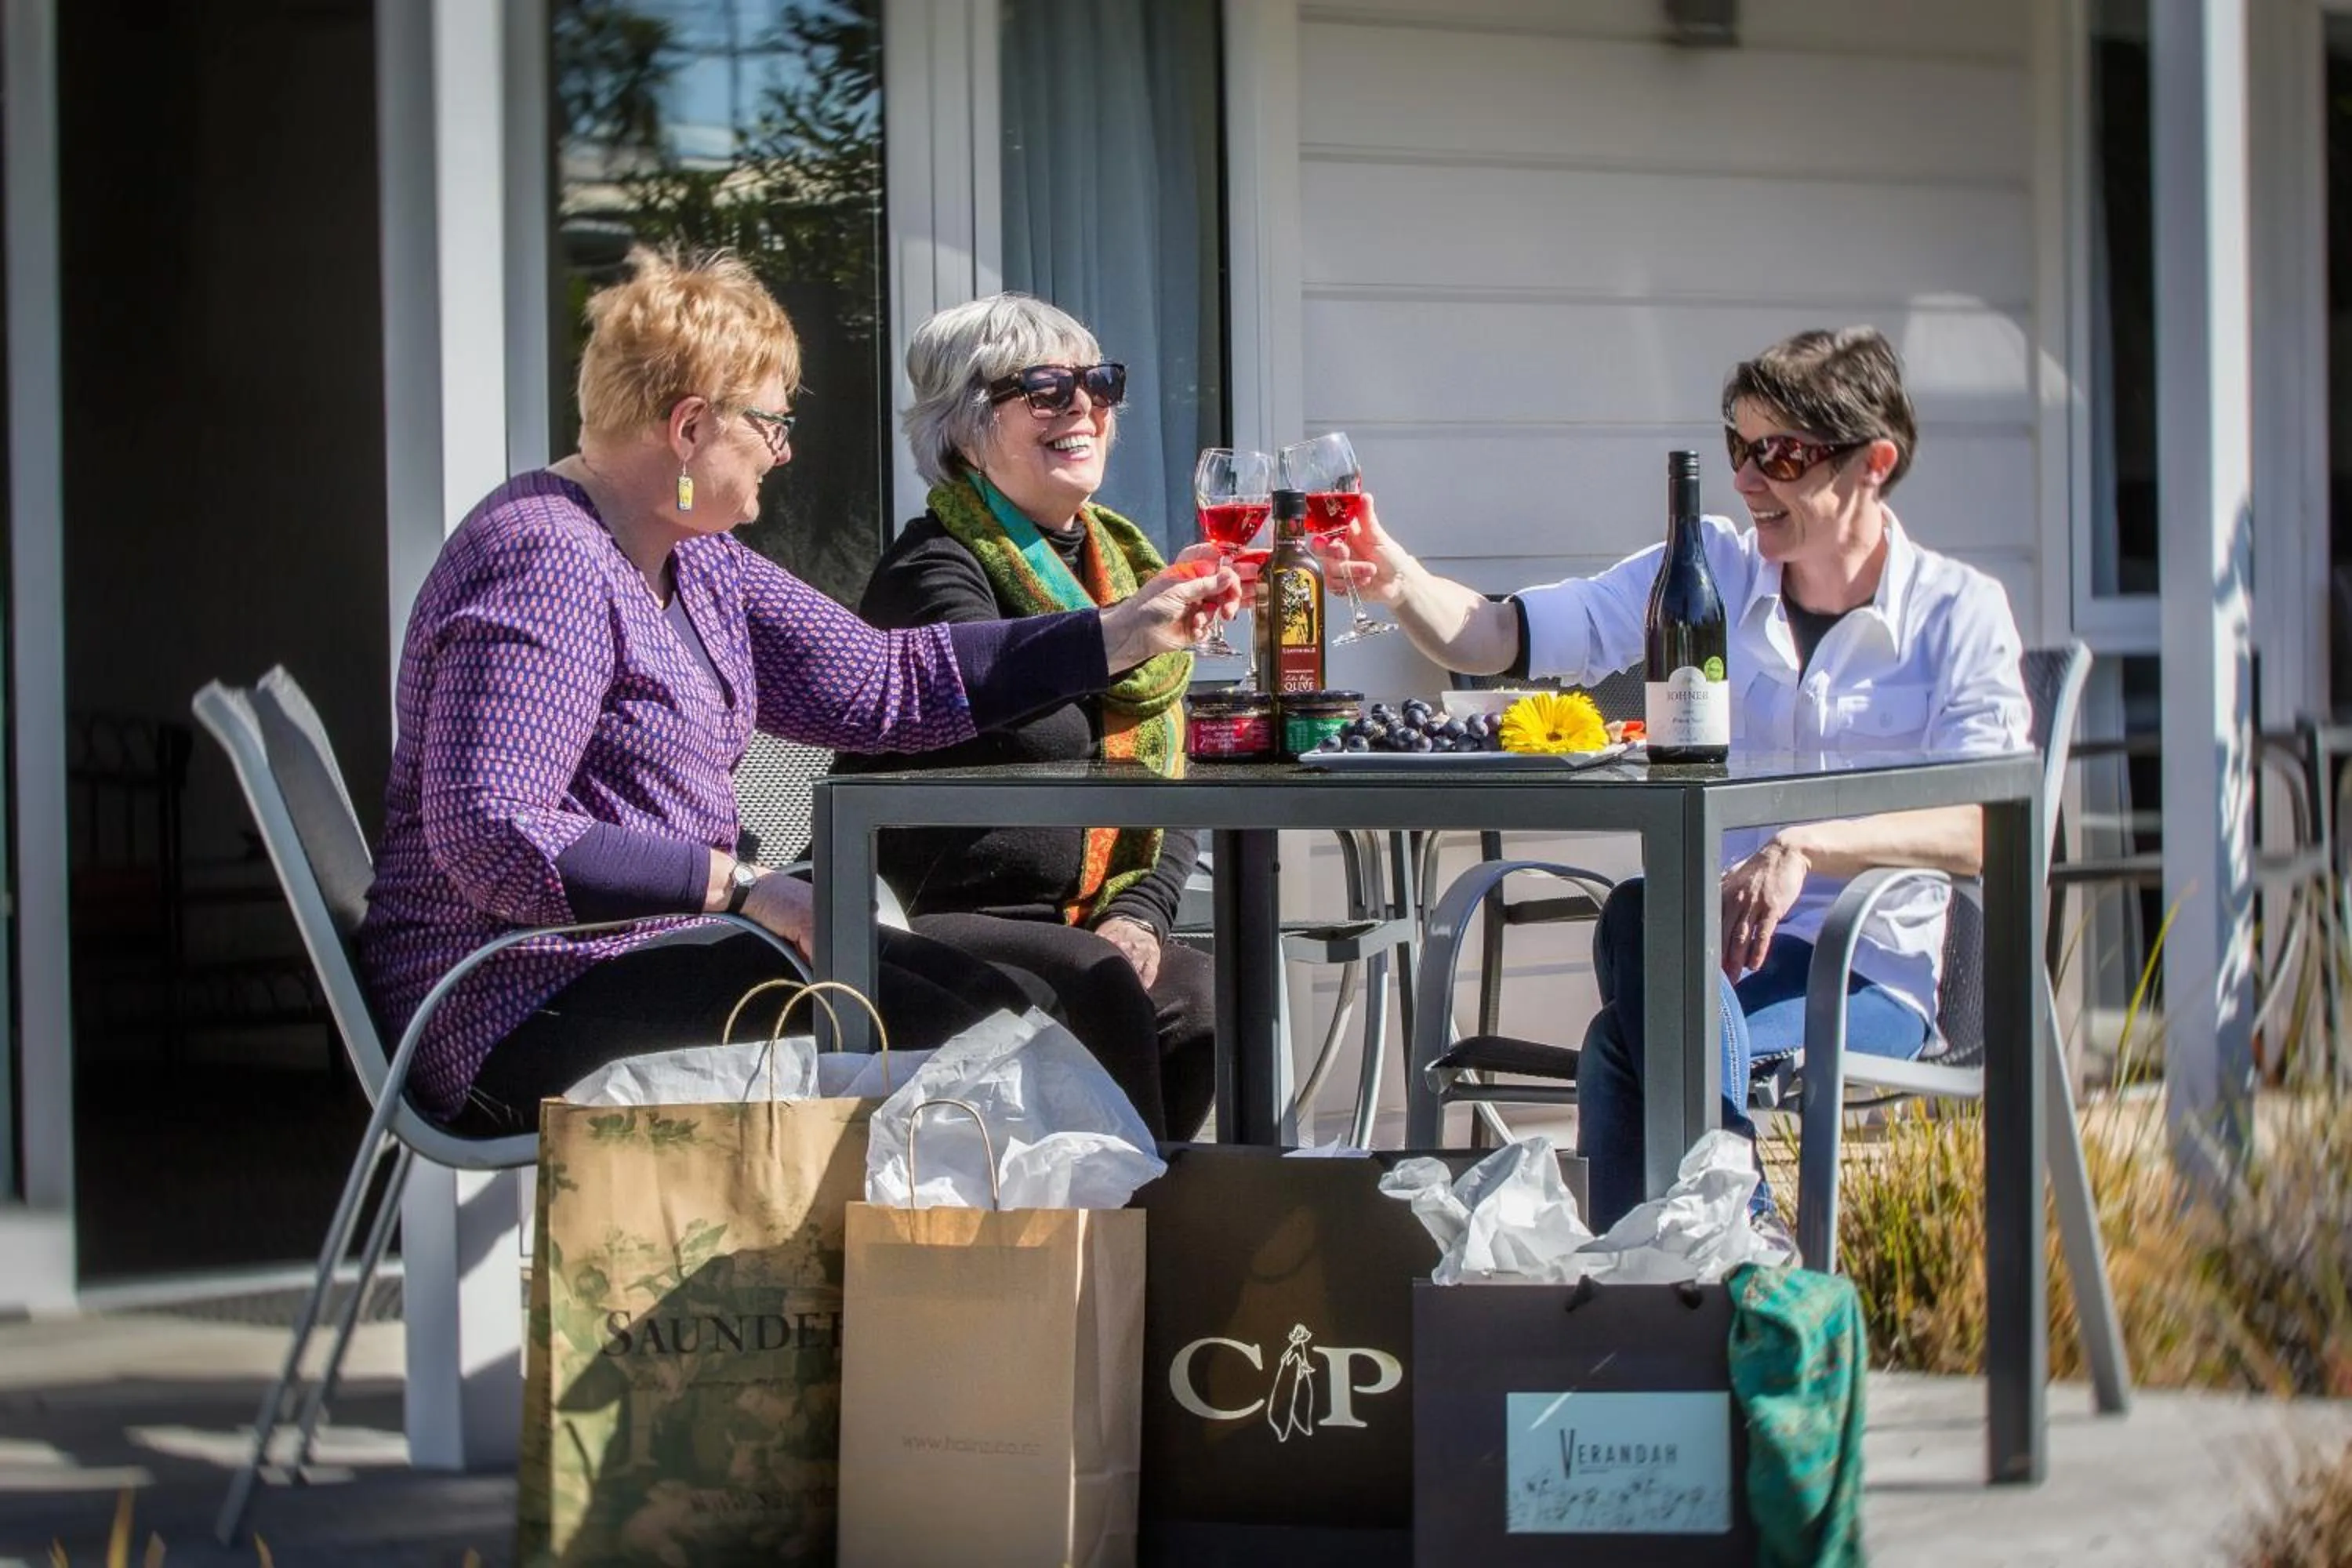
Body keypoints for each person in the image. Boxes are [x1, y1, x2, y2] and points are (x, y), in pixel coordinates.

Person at [356, 249, 1236, 1134]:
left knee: (1003, 1006)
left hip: (654, 953)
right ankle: (1081, 1263)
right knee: (997, 1038)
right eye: (773, 424)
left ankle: (1108, 1259)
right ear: (691, 427)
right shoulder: (545, 559)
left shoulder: (693, 554)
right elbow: (494, 830)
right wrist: (742, 887)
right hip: (516, 997)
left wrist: (1119, 632)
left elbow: (884, 684)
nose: (787, 450)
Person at [1316, 327, 2031, 1235]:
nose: (1746, 478)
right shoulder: (1710, 568)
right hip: (1711, 954)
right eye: (1738, 446)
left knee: (1622, 1041)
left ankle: (1671, 1293)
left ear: (1872, 463)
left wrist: (1804, 846)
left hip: (1862, 978)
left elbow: (1983, 822)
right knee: (1642, 918)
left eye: (1780, 453)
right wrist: (1395, 577)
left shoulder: (1957, 611)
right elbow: (1497, 640)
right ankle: (1725, 1253)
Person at [833, 295, 1216, 1140]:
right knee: (1101, 985)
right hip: (926, 914)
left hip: (1086, 912)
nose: (1084, 407)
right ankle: (1115, 1244)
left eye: (1099, 384)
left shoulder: (1123, 565)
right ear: (967, 427)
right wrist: (1122, 635)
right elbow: (993, 669)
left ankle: (1160, 1232)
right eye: (1046, 389)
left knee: (1197, 995)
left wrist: (1144, 910)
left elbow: (1169, 774)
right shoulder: (932, 571)